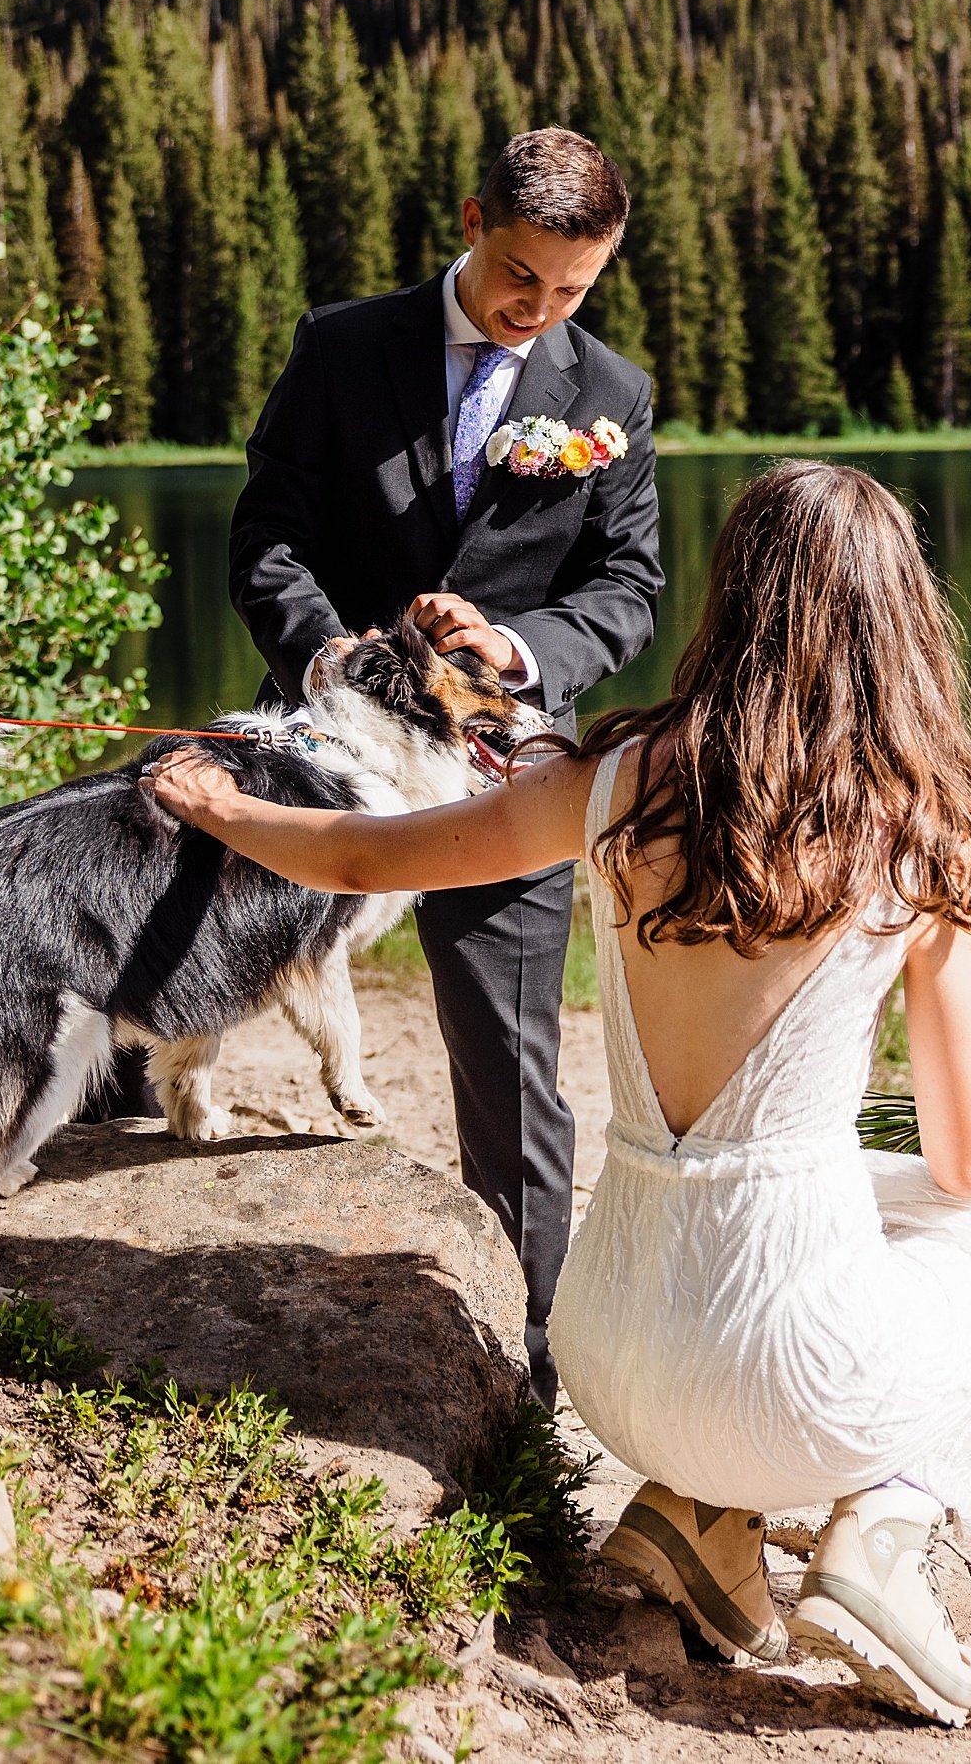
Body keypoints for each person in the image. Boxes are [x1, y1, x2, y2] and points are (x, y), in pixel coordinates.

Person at [147, 461, 971, 1726]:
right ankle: (878, 1542)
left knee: (876, 1211)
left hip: (610, 1356)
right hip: (789, 1374)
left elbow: (354, 852)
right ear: (906, 626)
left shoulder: (607, 781)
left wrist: (218, 800)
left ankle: (695, 1519)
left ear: (734, 601)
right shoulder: (928, 838)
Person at [226, 126, 661, 1402]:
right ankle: (106, 1131)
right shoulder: (343, 346)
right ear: (474, 216)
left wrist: (519, 647)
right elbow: (268, 531)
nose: (542, 309)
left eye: (575, 289)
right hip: (329, 748)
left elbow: (628, 589)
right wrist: (326, 652)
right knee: (200, 934)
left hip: (506, 768)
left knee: (513, 1058)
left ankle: (533, 1363)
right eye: (524, 276)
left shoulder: (612, 395)